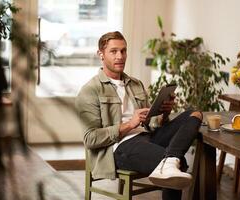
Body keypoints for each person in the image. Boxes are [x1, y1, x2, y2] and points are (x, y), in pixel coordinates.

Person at [75, 31, 202, 199]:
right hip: (120, 146)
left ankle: (170, 160)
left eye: (123, 50)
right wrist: (130, 124)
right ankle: (171, 161)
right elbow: (90, 139)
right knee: (179, 165)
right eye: (113, 51)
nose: (120, 56)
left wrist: (164, 113)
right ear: (101, 54)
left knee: (195, 113)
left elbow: (152, 124)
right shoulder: (90, 90)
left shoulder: (135, 84)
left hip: (147, 136)